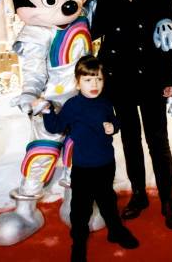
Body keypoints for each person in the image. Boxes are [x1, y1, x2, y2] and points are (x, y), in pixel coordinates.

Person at [91, 0, 172, 230]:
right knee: (130, 140)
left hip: (152, 74)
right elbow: (98, 32)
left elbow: (170, 34)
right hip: (119, 76)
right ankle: (139, 195)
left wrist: (169, 77)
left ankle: (167, 200)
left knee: (158, 140)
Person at [40, 56, 139, 262]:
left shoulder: (105, 102)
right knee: (80, 209)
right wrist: (48, 111)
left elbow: (113, 120)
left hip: (105, 163)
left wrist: (115, 127)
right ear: (77, 82)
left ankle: (116, 231)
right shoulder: (73, 105)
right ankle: (78, 241)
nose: (94, 84)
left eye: (98, 80)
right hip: (83, 167)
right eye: (88, 80)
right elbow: (55, 127)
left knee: (108, 201)